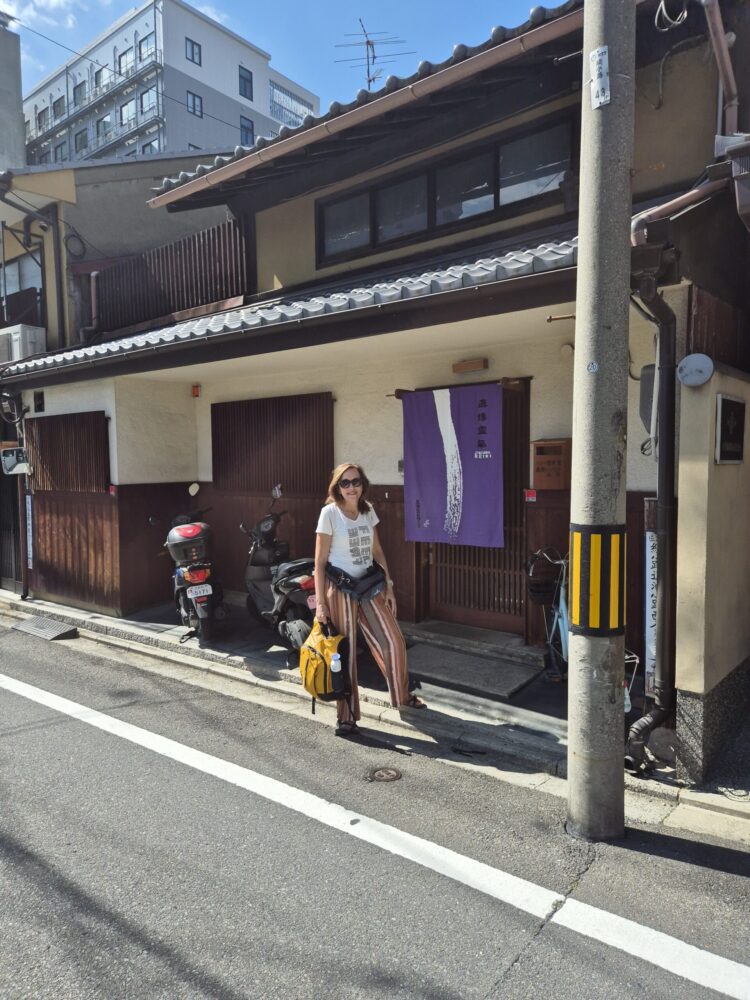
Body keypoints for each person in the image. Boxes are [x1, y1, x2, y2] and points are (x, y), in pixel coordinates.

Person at [314, 462, 425, 736]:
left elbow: (377, 550)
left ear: (363, 484)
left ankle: (402, 696)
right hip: (340, 589)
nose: (352, 487)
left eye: (356, 481)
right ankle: (346, 716)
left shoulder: (367, 510)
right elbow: (319, 562)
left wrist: (388, 585)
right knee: (346, 654)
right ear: (337, 487)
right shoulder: (329, 514)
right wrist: (321, 604)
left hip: (370, 586)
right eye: (345, 483)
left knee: (394, 640)